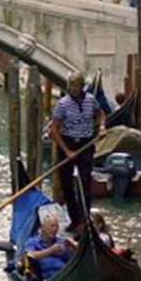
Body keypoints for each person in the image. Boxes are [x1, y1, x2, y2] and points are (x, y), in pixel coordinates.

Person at [47, 70, 101, 232]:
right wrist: (67, 150)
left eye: (76, 85)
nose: (73, 88)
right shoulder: (62, 104)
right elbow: (54, 130)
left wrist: (102, 127)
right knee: (67, 184)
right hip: (67, 143)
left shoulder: (91, 100)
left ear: (81, 86)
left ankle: (85, 220)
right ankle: (75, 219)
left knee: (85, 182)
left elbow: (100, 114)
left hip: (85, 143)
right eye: (71, 85)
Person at [17, 212, 72, 281]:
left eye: (57, 226)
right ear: (43, 228)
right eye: (52, 226)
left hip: (64, 276)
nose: (55, 229)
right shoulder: (33, 242)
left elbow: (72, 260)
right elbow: (29, 255)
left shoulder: (61, 242)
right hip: (44, 279)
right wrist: (50, 251)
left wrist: (73, 246)